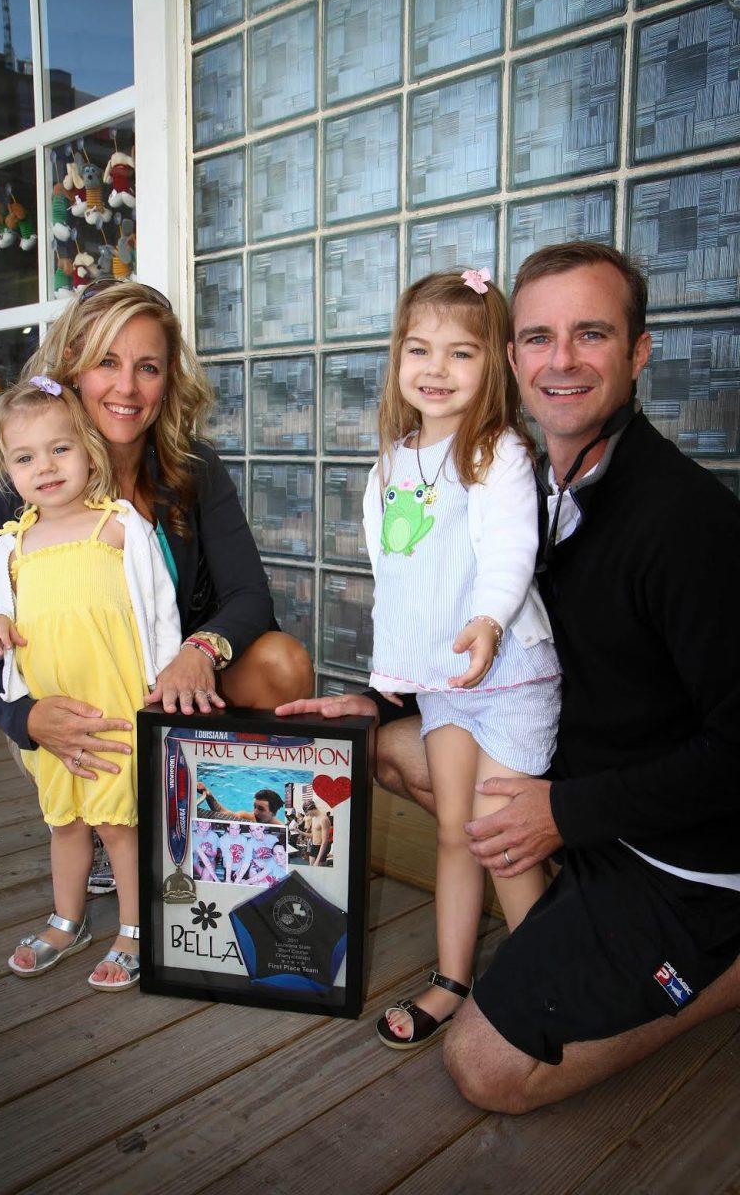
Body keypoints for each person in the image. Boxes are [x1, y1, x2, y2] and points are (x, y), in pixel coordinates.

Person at [281, 243, 740, 1108]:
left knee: (490, 1070)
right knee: (394, 748)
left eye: (592, 334)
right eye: (539, 337)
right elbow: (434, 585)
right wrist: (379, 696)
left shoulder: (688, 526)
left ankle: (712, 965)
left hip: (681, 852)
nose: (561, 360)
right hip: (587, 786)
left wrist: (561, 813)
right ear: (516, 356)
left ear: (638, 352)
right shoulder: (544, 481)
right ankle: (540, 924)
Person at [0, 278, 313, 789]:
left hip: (174, 682)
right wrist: (26, 719)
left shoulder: (194, 468)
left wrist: (199, 652)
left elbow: (249, 595)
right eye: (107, 362)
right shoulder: (27, 484)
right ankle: (108, 832)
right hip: (84, 698)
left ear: (168, 380)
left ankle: (252, 823)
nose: (126, 388)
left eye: (146, 368)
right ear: (74, 370)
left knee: (283, 659)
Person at [356, 267, 566, 1049]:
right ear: (397, 359)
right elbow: (396, 580)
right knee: (454, 829)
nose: (435, 370)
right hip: (446, 681)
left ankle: (548, 984)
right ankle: (452, 980)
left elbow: (513, 549)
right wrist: (392, 672)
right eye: (419, 350)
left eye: (460, 353)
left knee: (498, 833)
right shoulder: (388, 467)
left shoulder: (497, 451)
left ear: (496, 365)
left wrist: (484, 620)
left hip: (507, 673)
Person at [0, 376, 181, 988]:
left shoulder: (118, 528)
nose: (45, 467)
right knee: (64, 823)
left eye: (59, 448)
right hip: (52, 717)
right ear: (8, 470)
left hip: (113, 711)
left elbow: (158, 607)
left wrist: (165, 682)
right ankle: (67, 920)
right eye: (25, 456)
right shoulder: (11, 545)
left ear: (89, 448)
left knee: (118, 824)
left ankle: (135, 929)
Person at [197, 782, 286, 826]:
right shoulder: (246, 817)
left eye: (261, 809)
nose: (255, 812)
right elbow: (222, 813)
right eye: (254, 806)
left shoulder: (281, 827)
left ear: (273, 813)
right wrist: (209, 795)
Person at [302, 794, 332, 867]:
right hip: (314, 846)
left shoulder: (323, 819)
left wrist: (318, 860)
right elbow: (312, 835)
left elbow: (325, 841)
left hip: (321, 847)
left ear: (311, 809)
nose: (308, 815)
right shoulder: (314, 818)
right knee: (311, 868)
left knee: (319, 872)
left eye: (307, 813)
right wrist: (299, 832)